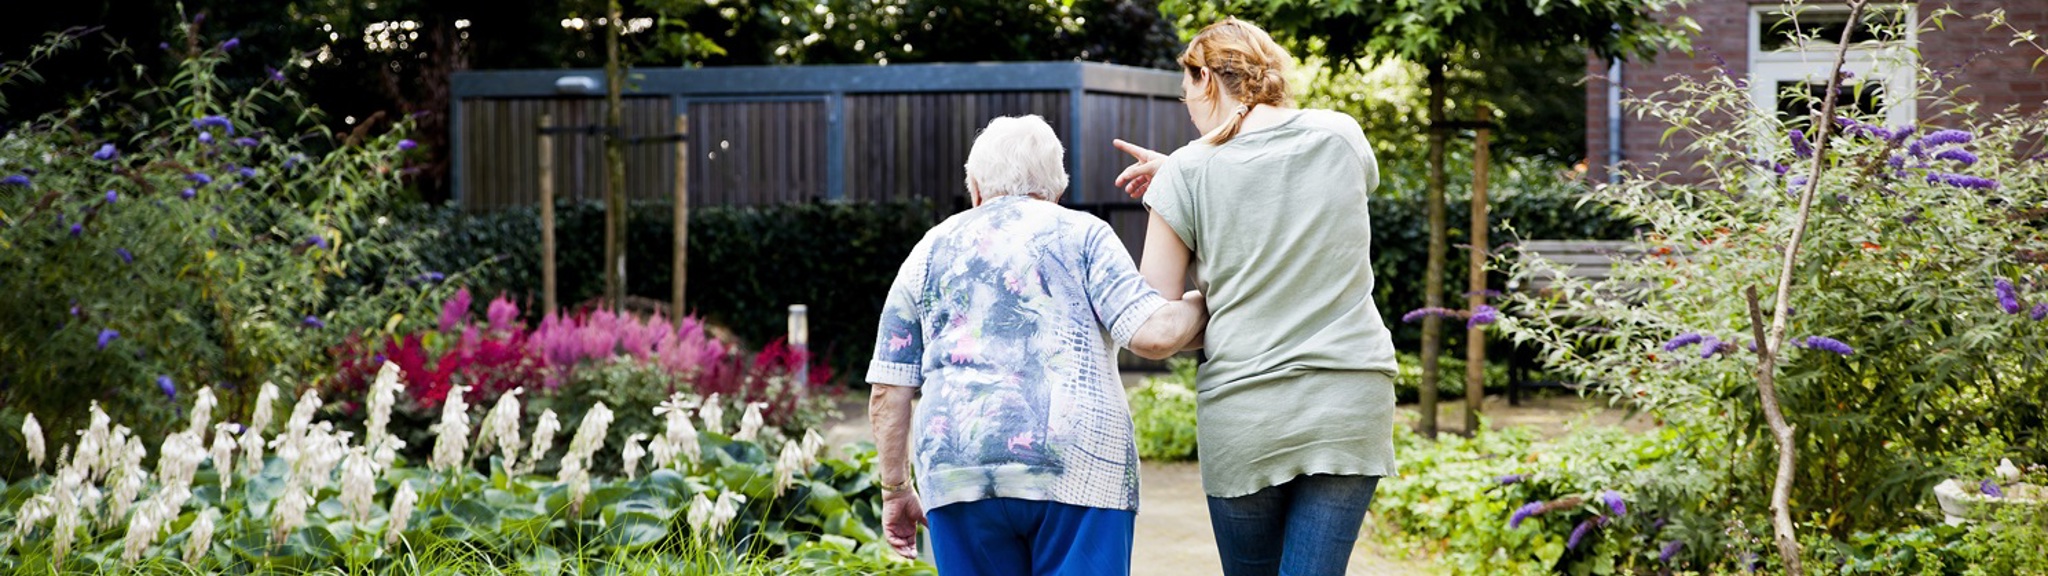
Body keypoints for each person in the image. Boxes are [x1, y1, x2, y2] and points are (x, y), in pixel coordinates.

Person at [1111, 17, 1400, 576]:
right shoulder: (1341, 135)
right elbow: (1286, 190)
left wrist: (1179, 182)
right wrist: (1185, 173)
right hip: (1349, 398)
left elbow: (1156, 315)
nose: (1187, 106)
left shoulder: (1190, 170)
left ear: (1208, 81)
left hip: (1247, 414)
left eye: (1187, 89)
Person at [867, 114, 1209, 576]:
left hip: (959, 472)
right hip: (1079, 469)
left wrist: (894, 489)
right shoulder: (1082, 233)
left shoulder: (928, 250)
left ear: (975, 187)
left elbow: (889, 388)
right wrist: (1208, 303)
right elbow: (1151, 334)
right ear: (1057, 188)